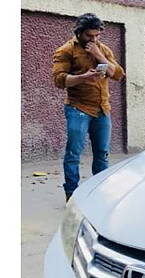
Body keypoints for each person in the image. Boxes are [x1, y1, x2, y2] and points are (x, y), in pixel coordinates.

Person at [52, 13, 125, 201]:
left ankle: (99, 194)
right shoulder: (66, 51)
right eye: (88, 36)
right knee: (74, 153)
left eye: (96, 36)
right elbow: (59, 80)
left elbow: (117, 74)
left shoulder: (103, 50)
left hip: (102, 108)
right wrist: (83, 77)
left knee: (102, 153)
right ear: (79, 33)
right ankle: (71, 195)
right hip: (78, 108)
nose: (93, 40)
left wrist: (98, 55)